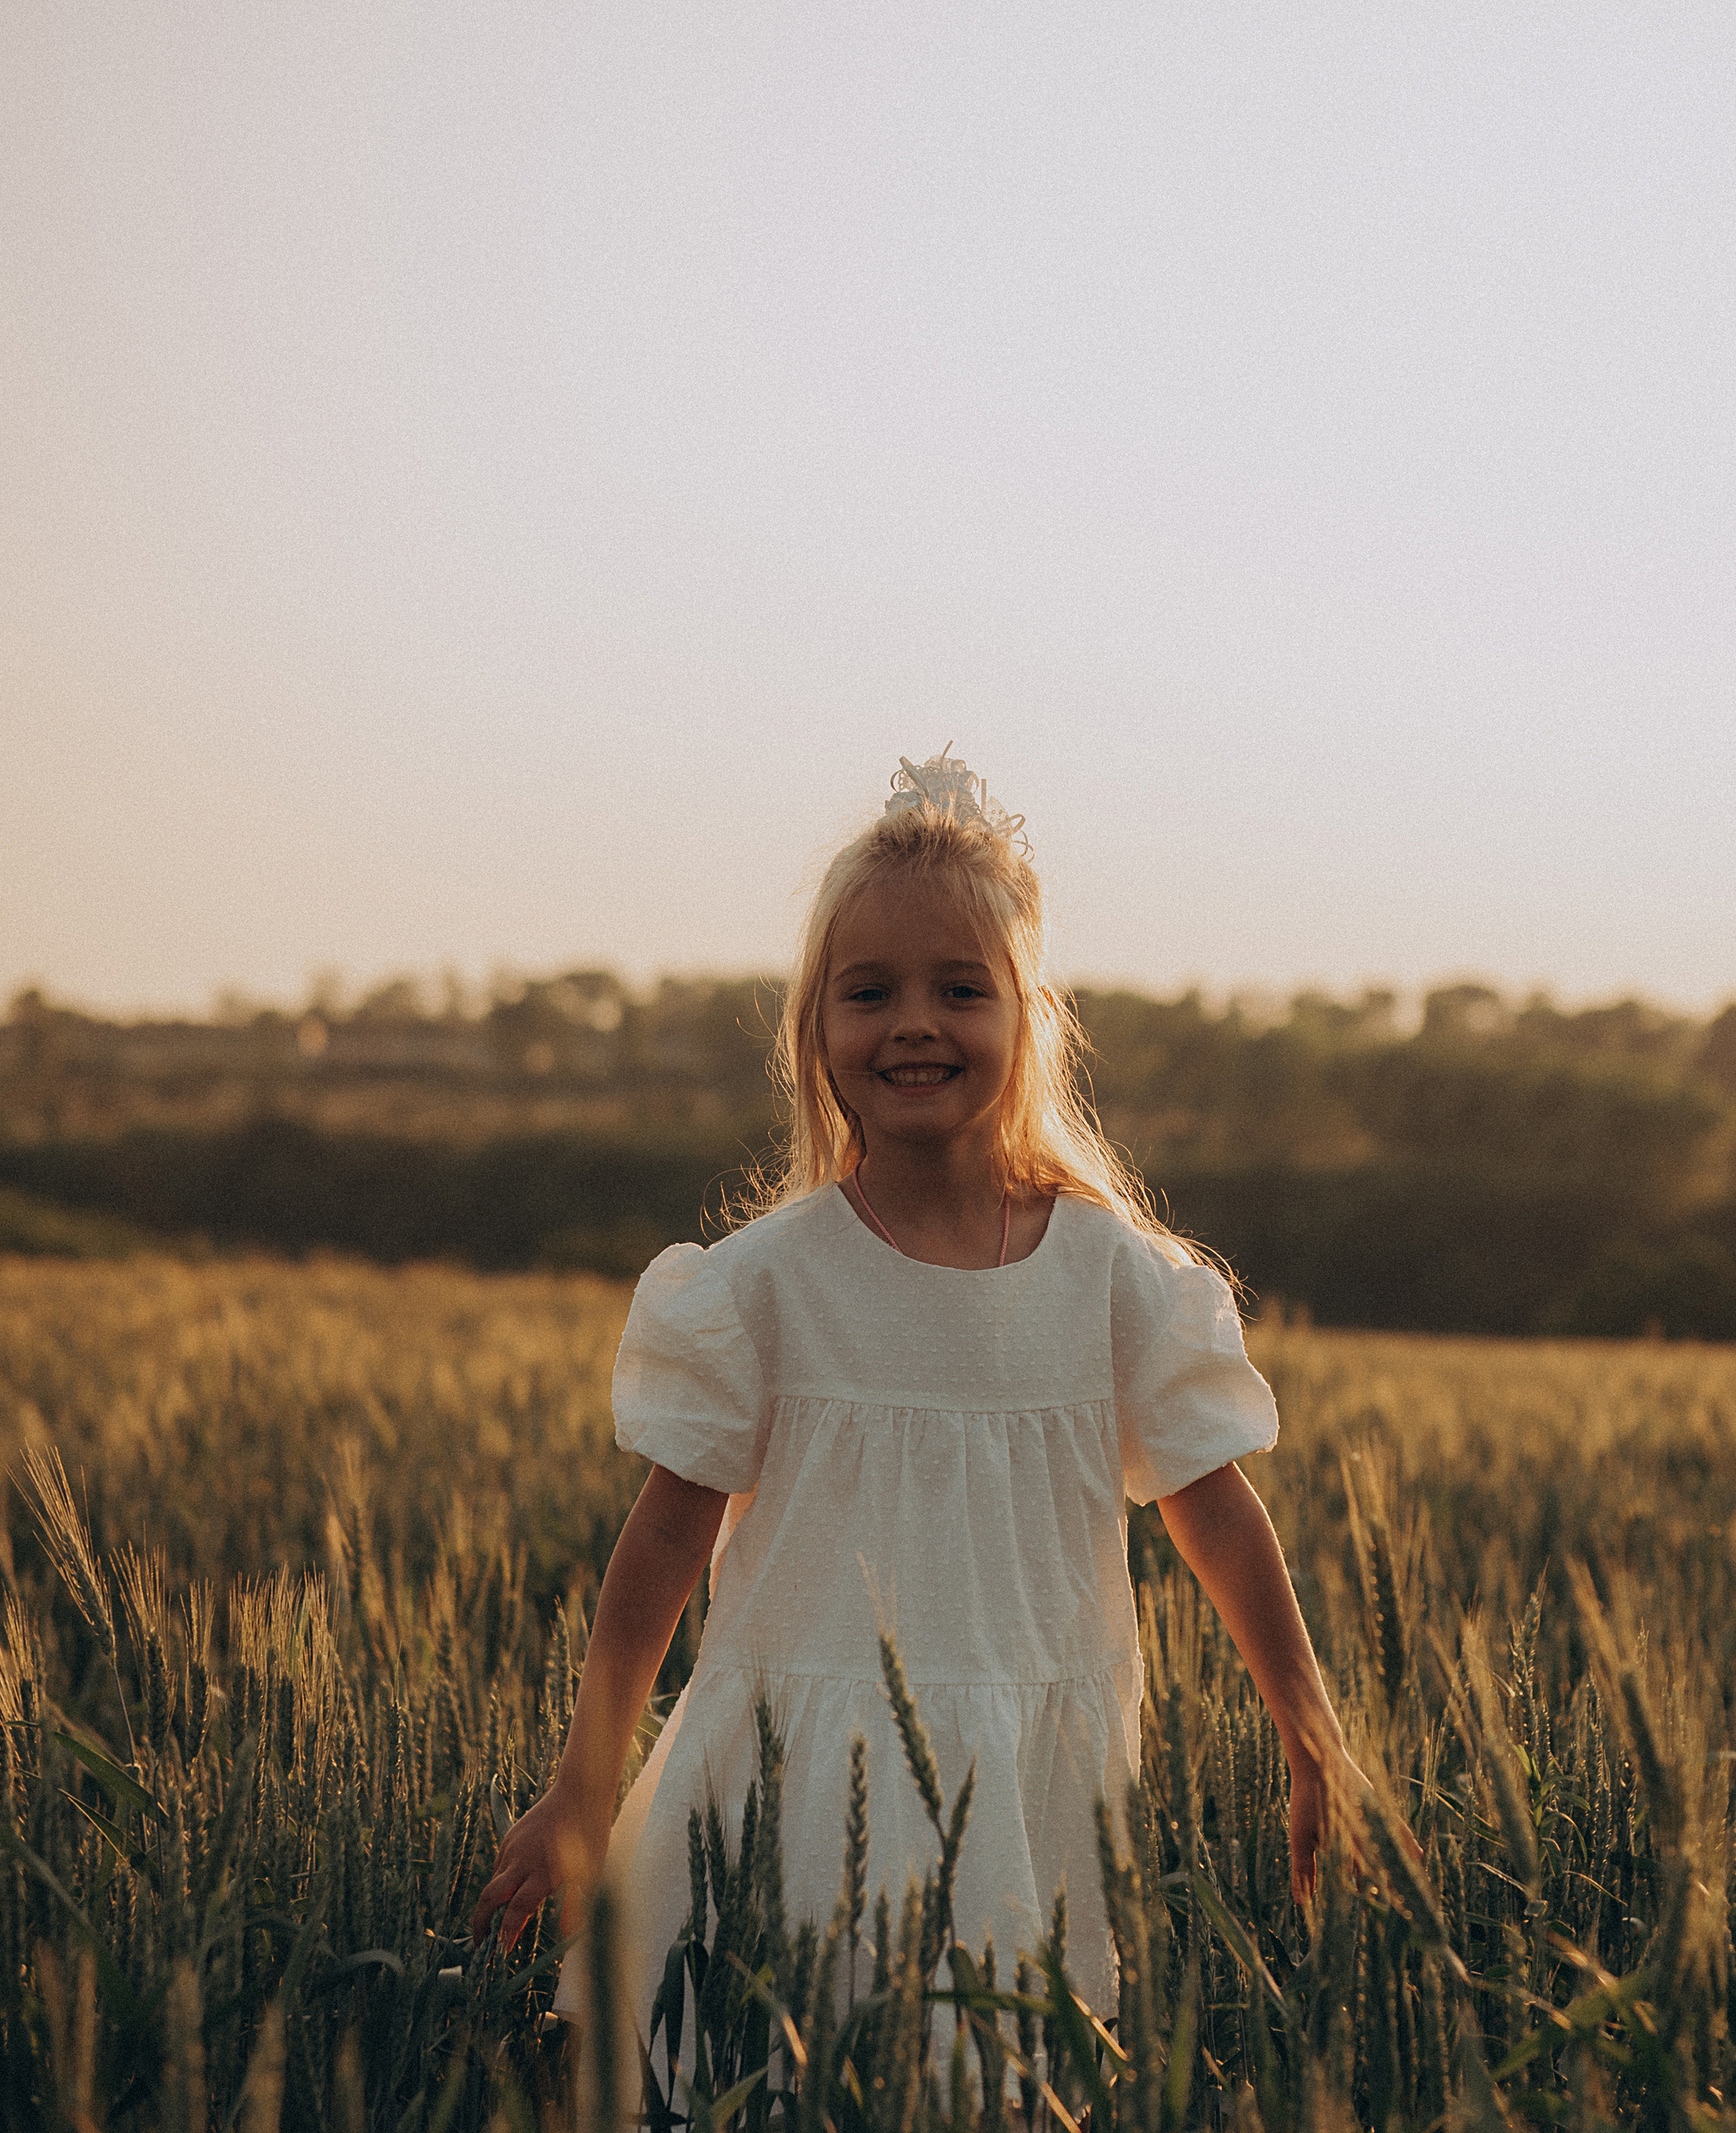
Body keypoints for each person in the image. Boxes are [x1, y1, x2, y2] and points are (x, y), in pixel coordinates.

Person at [472, 749, 1361, 2055]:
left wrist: (1312, 1729)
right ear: (813, 1029)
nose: (913, 1023)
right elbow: (663, 1541)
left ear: (1028, 1017)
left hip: (1013, 1800)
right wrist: (584, 1786)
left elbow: (1216, 1512)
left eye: (961, 989)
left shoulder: (1115, 1281)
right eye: (868, 991)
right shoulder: (764, 1286)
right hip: (786, 1784)